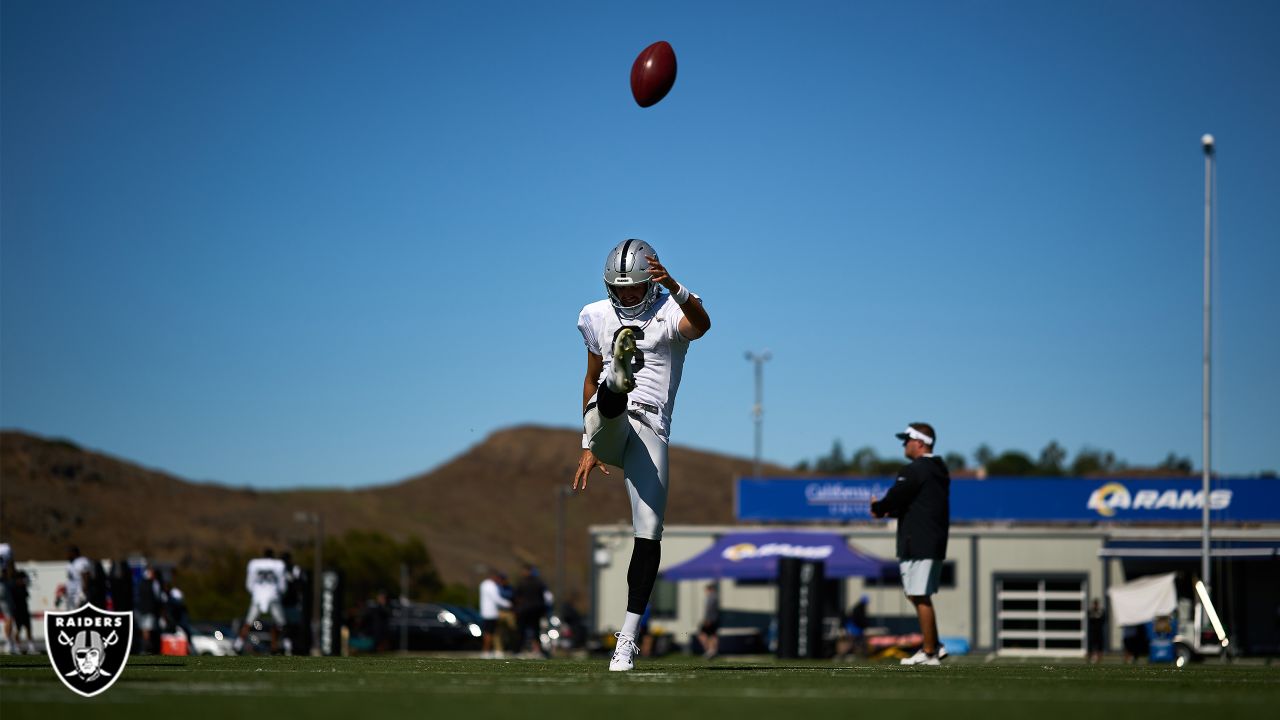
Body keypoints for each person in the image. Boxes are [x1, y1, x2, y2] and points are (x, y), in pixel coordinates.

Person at [572, 239, 711, 672]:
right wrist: (587, 446)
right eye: (622, 288)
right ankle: (621, 377)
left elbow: (701, 325)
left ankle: (627, 640)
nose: (629, 295)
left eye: (636, 288)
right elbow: (588, 378)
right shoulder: (595, 314)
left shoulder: (672, 308)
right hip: (609, 417)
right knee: (609, 390)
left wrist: (676, 285)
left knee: (650, 533)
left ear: (651, 282)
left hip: (652, 426)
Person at [870, 422, 951, 666]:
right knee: (915, 593)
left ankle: (929, 652)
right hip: (930, 539)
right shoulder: (939, 469)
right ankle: (934, 645)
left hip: (919, 541)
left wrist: (879, 507)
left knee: (919, 594)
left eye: (907, 440)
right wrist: (889, 511)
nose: (904, 445)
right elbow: (915, 505)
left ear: (920, 442)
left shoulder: (917, 469)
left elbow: (897, 496)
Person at [236, 548, 287, 654]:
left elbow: (249, 584)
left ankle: (238, 644)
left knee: (248, 622)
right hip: (273, 596)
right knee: (280, 624)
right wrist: (279, 593)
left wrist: (256, 592)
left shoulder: (255, 564)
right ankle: (279, 645)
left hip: (258, 597)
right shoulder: (278, 565)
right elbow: (282, 585)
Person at [512, 565, 549, 657]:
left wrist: (516, 608)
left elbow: (515, 597)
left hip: (525, 610)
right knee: (535, 631)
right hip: (535, 610)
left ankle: (518, 651)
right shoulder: (539, 582)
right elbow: (546, 597)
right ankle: (537, 651)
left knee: (522, 631)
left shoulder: (522, 583)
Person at [478, 568, 511, 658]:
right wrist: (508, 604)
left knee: (488, 633)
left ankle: (486, 651)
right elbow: (496, 599)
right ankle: (486, 652)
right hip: (491, 613)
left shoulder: (484, 584)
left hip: (486, 612)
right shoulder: (491, 586)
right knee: (489, 633)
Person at [837, 595, 870, 661]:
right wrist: (864, 625)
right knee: (852, 643)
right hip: (855, 629)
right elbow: (858, 619)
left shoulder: (859, 608)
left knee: (858, 643)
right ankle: (842, 656)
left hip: (856, 628)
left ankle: (862, 656)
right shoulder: (859, 608)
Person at [697, 582, 720, 660]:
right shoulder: (715, 596)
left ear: (709, 589)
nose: (705, 592)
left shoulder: (711, 597)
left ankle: (710, 650)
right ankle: (713, 650)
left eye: (706, 590)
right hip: (714, 619)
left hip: (710, 620)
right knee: (713, 635)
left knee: (702, 635)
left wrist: (707, 620)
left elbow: (709, 610)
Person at [64, 546, 92, 610]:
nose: (67, 554)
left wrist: (84, 589)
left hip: (79, 591)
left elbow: (85, 575)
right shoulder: (71, 563)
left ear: (74, 553)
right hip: (71, 592)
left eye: (68, 552)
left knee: (79, 609)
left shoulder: (81, 561)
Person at [1087, 597, 1106, 663]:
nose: (1095, 605)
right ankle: (1090, 657)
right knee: (1091, 645)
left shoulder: (1101, 611)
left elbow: (1104, 619)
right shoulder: (1090, 611)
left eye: (1096, 604)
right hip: (1092, 631)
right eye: (1094, 604)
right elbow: (1089, 619)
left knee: (1100, 645)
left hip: (1099, 631)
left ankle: (1099, 659)